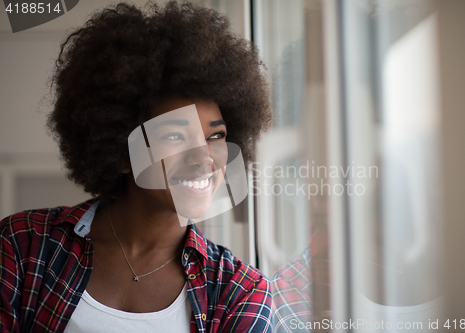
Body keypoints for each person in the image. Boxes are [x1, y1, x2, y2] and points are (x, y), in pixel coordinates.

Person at [0, 2, 272, 332]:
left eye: (215, 135)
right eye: (175, 134)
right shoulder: (23, 245)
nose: (204, 158)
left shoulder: (240, 292)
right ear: (122, 150)